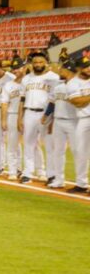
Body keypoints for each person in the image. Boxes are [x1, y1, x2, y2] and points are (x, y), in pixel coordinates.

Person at [18, 52, 58, 184]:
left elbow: (56, 100)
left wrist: (52, 117)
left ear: (46, 63)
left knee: (49, 145)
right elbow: (22, 99)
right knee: (29, 144)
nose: (38, 65)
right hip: (29, 112)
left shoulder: (53, 77)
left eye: (40, 62)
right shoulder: (26, 79)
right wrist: (20, 118)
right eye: (35, 62)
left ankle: (52, 174)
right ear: (31, 64)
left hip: (45, 114)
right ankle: (27, 173)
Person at [43, 60, 77, 189]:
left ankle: (82, 182)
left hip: (74, 121)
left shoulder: (78, 86)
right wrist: (47, 117)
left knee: (78, 151)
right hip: (58, 121)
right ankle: (59, 179)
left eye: (62, 69)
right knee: (58, 151)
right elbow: (52, 103)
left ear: (69, 71)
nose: (60, 71)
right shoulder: (58, 87)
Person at [0, 61, 27, 180]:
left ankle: (38, 171)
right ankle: (13, 170)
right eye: (14, 69)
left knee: (33, 145)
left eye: (18, 68)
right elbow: (4, 103)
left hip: (28, 114)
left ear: (25, 68)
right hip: (12, 114)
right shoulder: (9, 85)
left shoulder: (29, 82)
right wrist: (4, 120)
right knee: (12, 144)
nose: (15, 71)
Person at [66, 56, 90, 193]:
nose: (88, 68)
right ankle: (81, 183)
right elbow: (77, 101)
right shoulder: (73, 83)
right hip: (84, 119)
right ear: (79, 68)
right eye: (86, 66)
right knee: (80, 152)